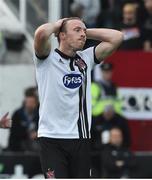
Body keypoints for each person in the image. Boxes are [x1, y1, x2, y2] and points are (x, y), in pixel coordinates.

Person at [33, 17, 123, 178]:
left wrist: (85, 31)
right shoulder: (46, 59)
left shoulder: (85, 59)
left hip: (80, 138)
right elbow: (40, 34)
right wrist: (57, 25)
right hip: (51, 138)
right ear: (62, 35)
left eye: (84, 30)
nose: (82, 35)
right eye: (77, 30)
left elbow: (117, 37)